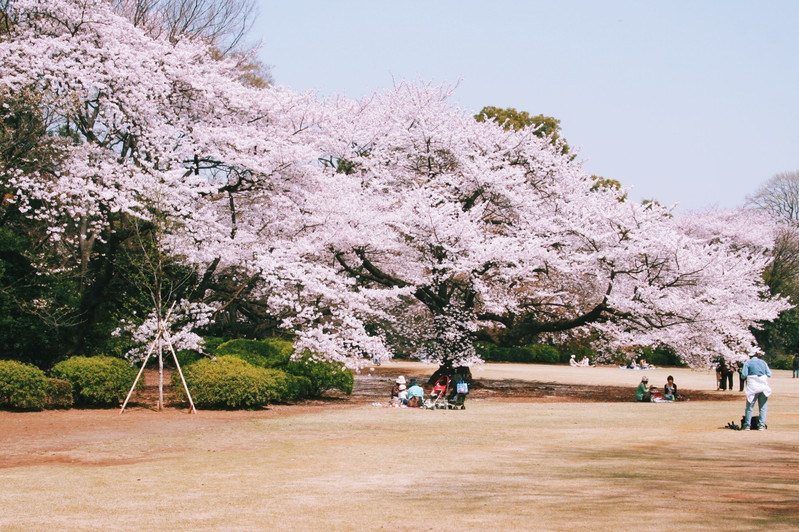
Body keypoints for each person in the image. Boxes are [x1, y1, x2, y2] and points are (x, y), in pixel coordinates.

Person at [741, 353, 772, 430]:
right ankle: (761, 425)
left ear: (750, 356)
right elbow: (769, 374)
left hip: (752, 387)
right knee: (763, 407)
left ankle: (747, 425)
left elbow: (743, 375)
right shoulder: (763, 362)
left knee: (749, 407)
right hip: (763, 386)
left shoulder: (748, 362)